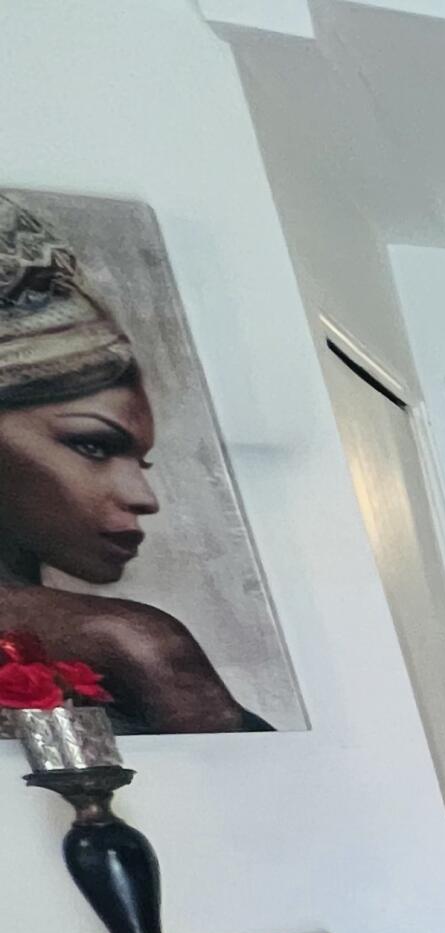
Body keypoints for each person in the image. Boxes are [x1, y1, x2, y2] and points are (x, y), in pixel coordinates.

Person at [0, 196, 267, 733]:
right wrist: (137, 642)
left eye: (140, 459)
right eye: (92, 446)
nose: (145, 498)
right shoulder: (135, 641)